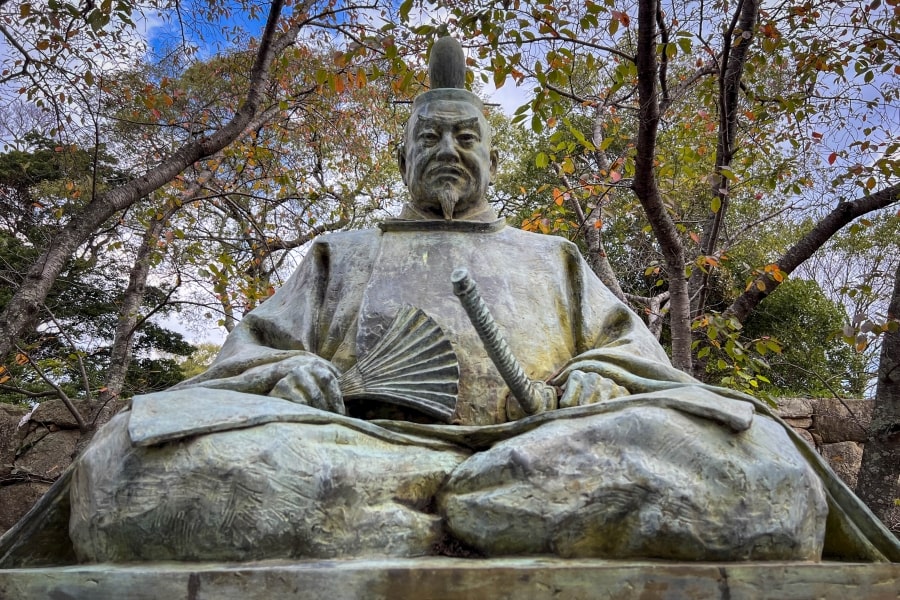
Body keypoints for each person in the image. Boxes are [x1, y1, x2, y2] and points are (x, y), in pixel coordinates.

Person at [2, 38, 898, 567]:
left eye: (467, 135)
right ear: (401, 158)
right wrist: (292, 375)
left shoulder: (550, 256)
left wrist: (595, 380)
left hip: (547, 450)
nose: (448, 148)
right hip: (350, 450)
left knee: (764, 468)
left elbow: (645, 373)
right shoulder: (342, 251)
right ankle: (444, 503)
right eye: (427, 136)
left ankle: (468, 500)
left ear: (495, 160)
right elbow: (237, 369)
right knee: (126, 459)